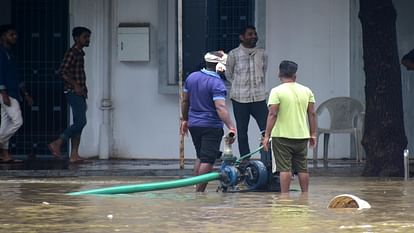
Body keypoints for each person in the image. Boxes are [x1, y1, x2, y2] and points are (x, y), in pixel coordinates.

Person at [180, 51, 236, 192]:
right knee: (207, 160)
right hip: (211, 125)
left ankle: (196, 188)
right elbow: (220, 107)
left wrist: (185, 119)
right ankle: (199, 193)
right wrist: (231, 126)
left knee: (200, 156)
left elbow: (185, 101)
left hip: (194, 124)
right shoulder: (217, 83)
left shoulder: (192, 77)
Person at [262, 60, 317, 194]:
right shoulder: (306, 90)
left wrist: (267, 135)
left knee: (284, 169)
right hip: (302, 136)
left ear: (279, 74)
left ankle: (284, 198)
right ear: (295, 75)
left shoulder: (276, 91)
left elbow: (272, 114)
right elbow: (312, 114)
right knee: (303, 168)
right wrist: (313, 134)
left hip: (281, 136)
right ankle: (305, 196)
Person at [48, 26, 91, 163]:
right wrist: (76, 85)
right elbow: (62, 71)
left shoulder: (79, 53)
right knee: (81, 122)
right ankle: (58, 142)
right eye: (85, 37)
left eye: (88, 37)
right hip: (73, 92)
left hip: (80, 92)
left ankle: (74, 155)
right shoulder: (72, 53)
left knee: (79, 124)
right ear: (76, 38)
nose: (87, 39)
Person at [225, 25, 268, 157]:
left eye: (254, 34)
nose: (253, 36)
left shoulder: (262, 53)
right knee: (242, 132)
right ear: (242, 37)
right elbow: (229, 74)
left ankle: (266, 160)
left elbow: (264, 71)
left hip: (259, 98)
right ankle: (245, 161)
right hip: (240, 98)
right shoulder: (233, 54)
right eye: (250, 34)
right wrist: (240, 86)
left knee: (266, 131)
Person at [0, 24, 33, 163]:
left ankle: (5, 155)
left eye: (15, 34)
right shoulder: (1, 53)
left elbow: (16, 76)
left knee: (5, 123)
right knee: (18, 121)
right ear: (3, 36)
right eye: (11, 34)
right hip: (6, 93)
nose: (15, 37)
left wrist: (25, 94)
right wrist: (3, 92)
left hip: (12, 92)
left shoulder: (10, 53)